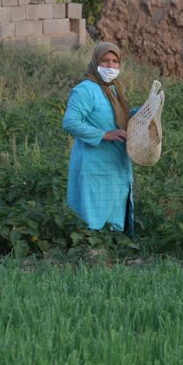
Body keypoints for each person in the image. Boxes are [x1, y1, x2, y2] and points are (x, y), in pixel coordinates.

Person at [63, 41, 138, 234]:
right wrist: (104, 135)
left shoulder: (115, 89)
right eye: (105, 61)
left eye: (115, 61)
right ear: (96, 61)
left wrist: (145, 112)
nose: (111, 66)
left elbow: (119, 119)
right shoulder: (86, 90)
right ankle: (93, 249)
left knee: (115, 205)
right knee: (94, 210)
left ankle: (114, 245)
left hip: (115, 162)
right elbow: (70, 122)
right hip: (94, 163)